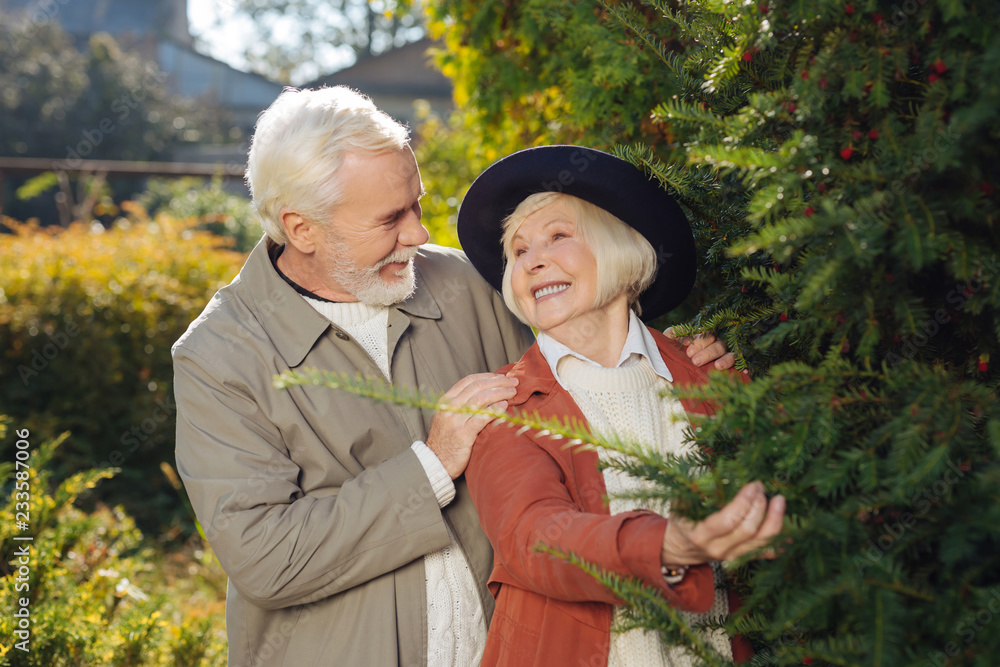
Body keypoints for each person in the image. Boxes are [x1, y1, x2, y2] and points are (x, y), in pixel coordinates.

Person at [172, 87, 735, 666]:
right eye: (391, 218)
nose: (419, 234)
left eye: (416, 204)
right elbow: (269, 558)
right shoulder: (217, 356)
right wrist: (433, 464)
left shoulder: (467, 284)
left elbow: (595, 362)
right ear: (302, 228)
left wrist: (689, 364)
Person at [457, 145, 786, 666]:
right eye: (518, 251)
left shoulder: (709, 372)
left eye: (559, 236)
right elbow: (534, 539)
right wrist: (669, 547)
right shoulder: (506, 404)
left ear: (623, 249)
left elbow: (797, 485)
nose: (533, 259)